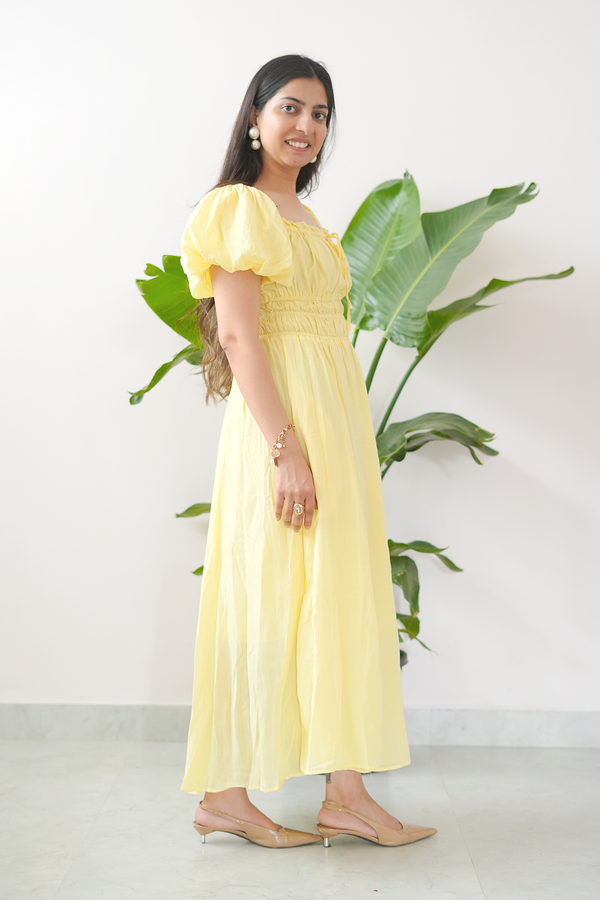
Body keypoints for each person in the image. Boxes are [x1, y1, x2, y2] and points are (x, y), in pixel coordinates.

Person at [179, 53, 437, 849]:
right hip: (281, 432)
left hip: (336, 426)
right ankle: (225, 795)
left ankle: (347, 795)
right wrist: (287, 451)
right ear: (254, 118)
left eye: (320, 114)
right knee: (267, 596)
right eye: (290, 107)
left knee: (340, 597)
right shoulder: (241, 209)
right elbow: (237, 335)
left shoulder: (308, 222)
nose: (305, 126)